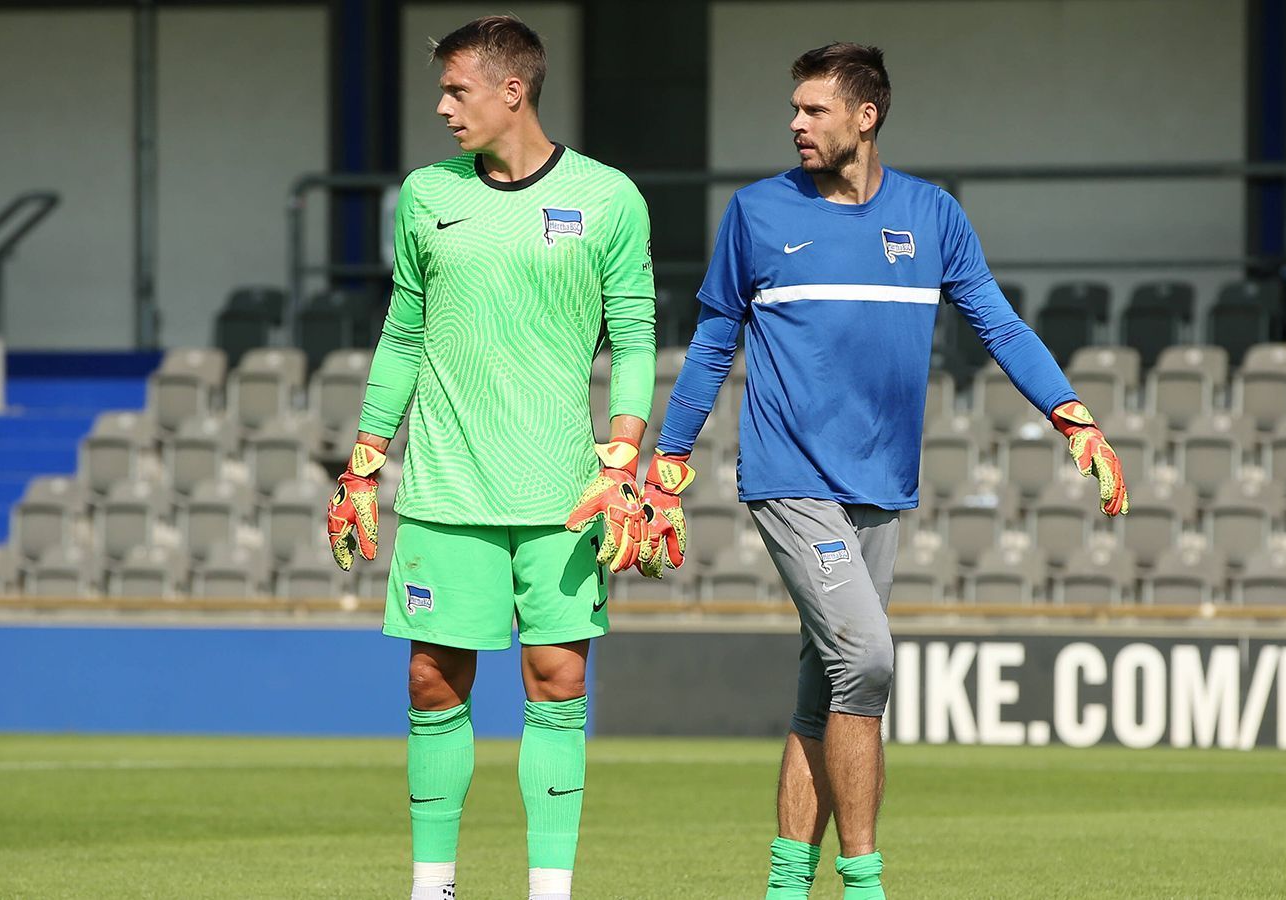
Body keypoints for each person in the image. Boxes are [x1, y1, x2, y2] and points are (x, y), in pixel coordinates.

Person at [636, 44, 1128, 899]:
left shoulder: (932, 216)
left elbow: (1002, 328)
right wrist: (668, 459)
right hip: (789, 477)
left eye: (814, 110)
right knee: (866, 660)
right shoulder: (755, 214)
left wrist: (1069, 413)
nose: (795, 123)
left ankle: (787, 884)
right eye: (793, 108)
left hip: (882, 487)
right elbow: (715, 338)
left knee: (822, 687)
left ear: (866, 116)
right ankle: (864, 883)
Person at [325, 15, 656, 900]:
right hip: (444, 488)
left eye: (456, 90)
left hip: (564, 495)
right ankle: (432, 888)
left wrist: (623, 456)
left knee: (558, 681)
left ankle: (550, 891)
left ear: (513, 91)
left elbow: (633, 335)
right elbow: (402, 333)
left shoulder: (609, 196)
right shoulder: (427, 195)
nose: (441, 108)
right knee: (432, 682)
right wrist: (364, 460)